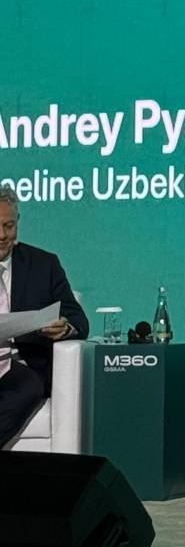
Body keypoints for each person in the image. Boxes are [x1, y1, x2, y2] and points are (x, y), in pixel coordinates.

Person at [0, 185, 89, 449]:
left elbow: (77, 319)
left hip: (20, 365)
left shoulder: (43, 265)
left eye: (9, 226)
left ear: (18, 222)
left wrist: (65, 328)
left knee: (29, 387)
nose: (2, 235)